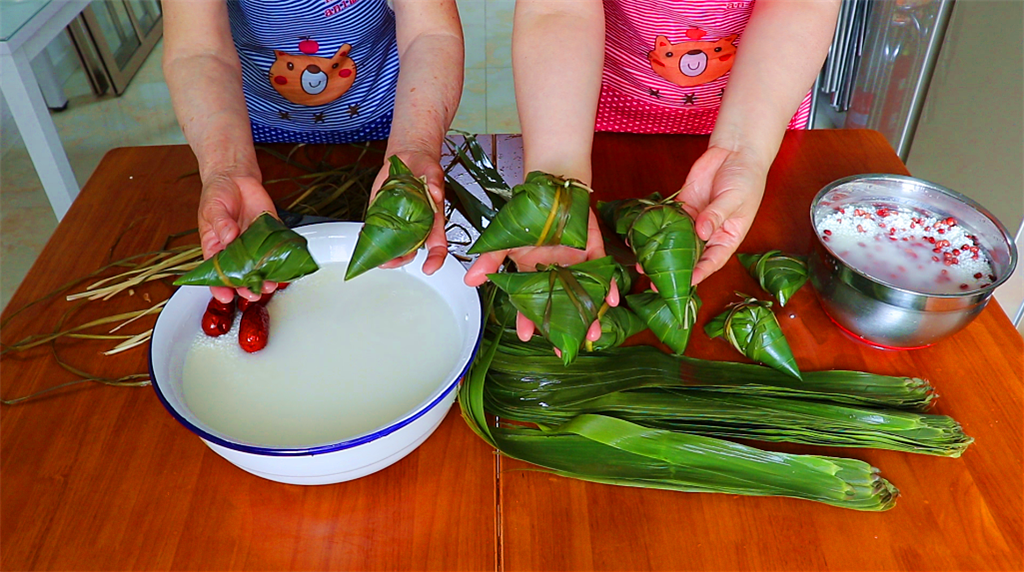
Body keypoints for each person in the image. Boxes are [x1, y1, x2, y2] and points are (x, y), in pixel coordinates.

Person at [464, 0, 840, 343]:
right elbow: (557, 10)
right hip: (598, 110)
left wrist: (743, 150)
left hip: (757, 114)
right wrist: (560, 184)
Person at [163, 0, 463, 304]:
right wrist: (227, 167)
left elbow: (429, 34)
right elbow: (198, 51)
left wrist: (414, 145)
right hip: (250, 132)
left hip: (390, 121)